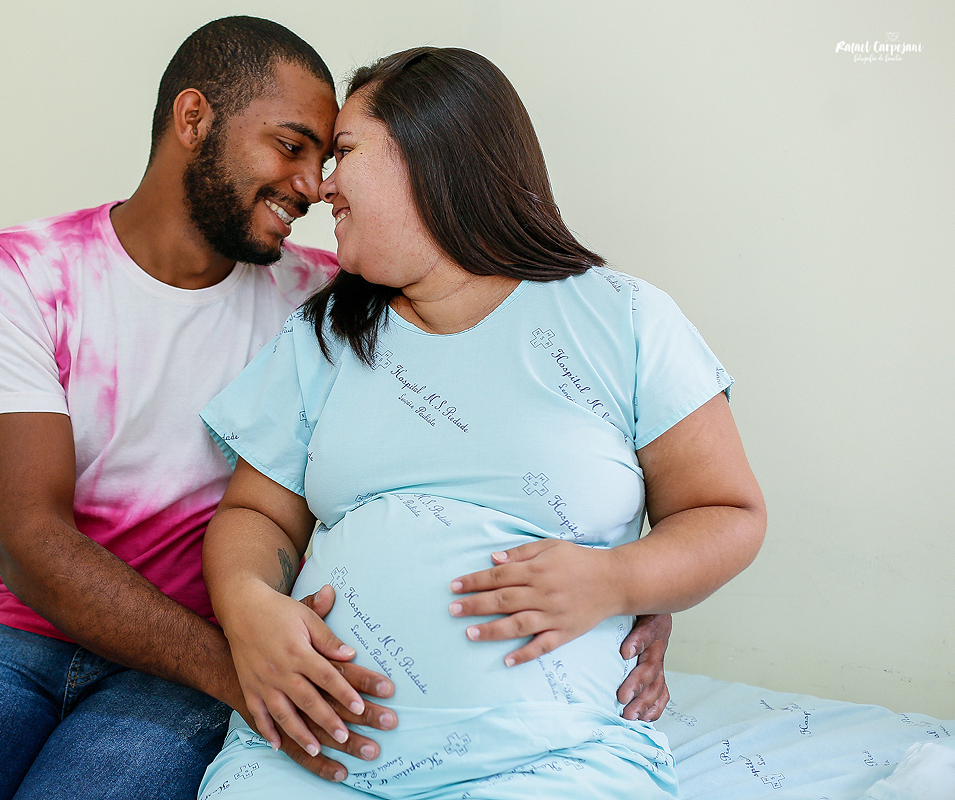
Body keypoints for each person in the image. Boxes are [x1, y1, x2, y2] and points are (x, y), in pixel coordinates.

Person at [0, 19, 672, 800]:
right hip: (41, 638)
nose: (313, 185)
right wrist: (245, 670)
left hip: (205, 653)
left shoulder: (332, 301)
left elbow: (498, 390)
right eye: (291, 146)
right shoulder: (22, 275)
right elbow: (31, 543)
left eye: (329, 156)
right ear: (194, 118)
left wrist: (636, 583)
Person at [196, 47, 766, 800]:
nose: (324, 185)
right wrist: (246, 606)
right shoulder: (323, 336)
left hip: (552, 760)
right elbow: (256, 514)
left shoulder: (623, 319)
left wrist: (616, 580)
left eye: (346, 152)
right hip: (308, 755)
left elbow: (726, 513)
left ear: (432, 156)